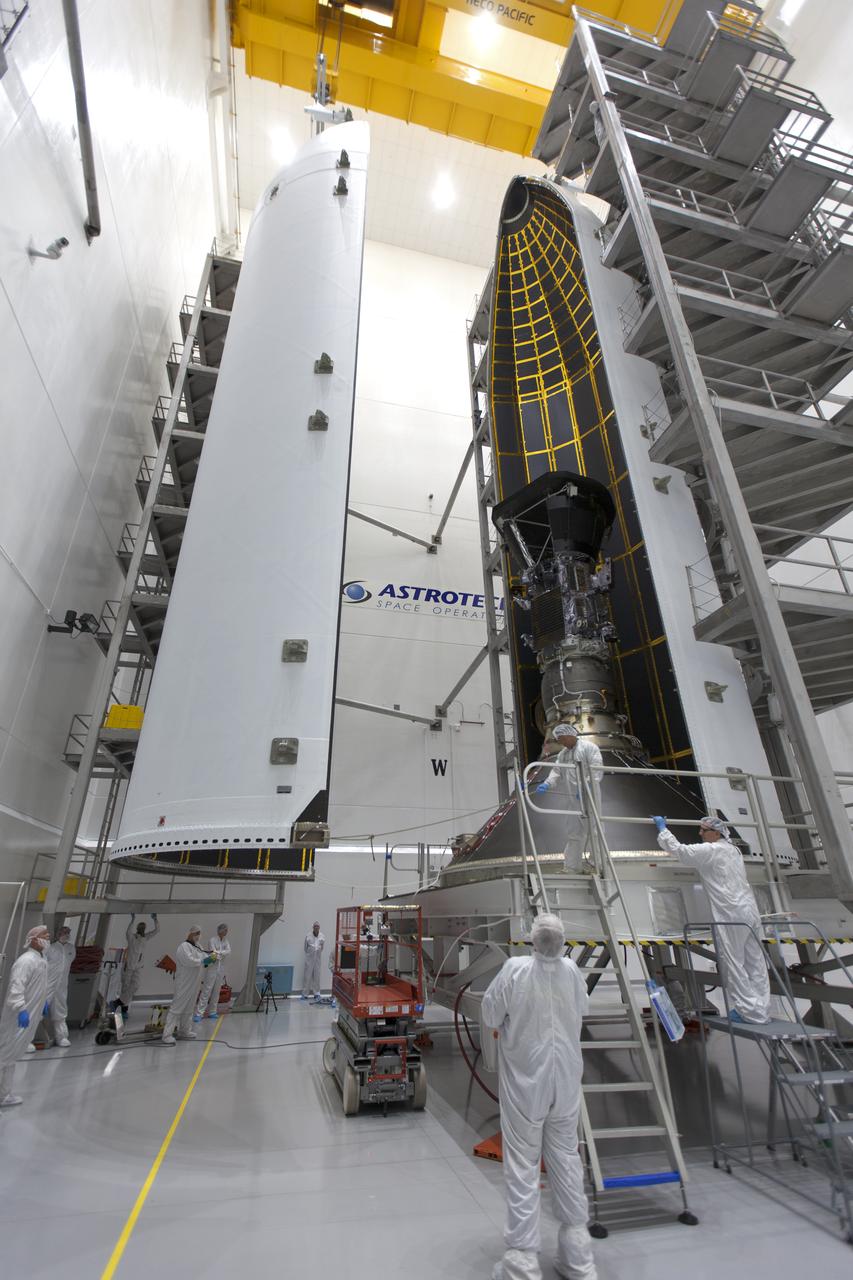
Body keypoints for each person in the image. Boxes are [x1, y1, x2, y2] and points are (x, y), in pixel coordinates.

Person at [482, 913, 596, 1280]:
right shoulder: (572, 972)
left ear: (533, 939)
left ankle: (522, 1260)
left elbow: (490, 1014)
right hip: (566, 1083)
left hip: (526, 1085)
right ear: (562, 942)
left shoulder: (515, 970)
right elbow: (582, 1010)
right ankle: (578, 1257)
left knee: (522, 1165)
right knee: (566, 1160)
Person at [653, 815, 770, 1023]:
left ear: (716, 833)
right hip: (749, 911)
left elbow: (680, 851)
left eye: (704, 830)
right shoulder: (733, 850)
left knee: (734, 962)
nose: (700, 833)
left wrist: (663, 830)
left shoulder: (711, 850)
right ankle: (762, 1008)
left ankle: (749, 1012)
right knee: (755, 963)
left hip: (731, 914)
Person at [534, 724, 604, 872]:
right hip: (572, 799)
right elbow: (556, 771)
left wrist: (586, 788)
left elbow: (597, 769)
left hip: (589, 796)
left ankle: (597, 866)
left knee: (594, 830)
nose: (561, 742)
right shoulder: (563, 754)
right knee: (574, 832)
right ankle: (572, 867)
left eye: (561, 739)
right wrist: (547, 784)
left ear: (570, 735)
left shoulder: (589, 748)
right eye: (559, 740)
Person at [0, 926, 51, 1107]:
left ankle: (4, 1095)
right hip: (17, 1018)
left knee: (11, 1057)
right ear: (34, 939)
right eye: (44, 935)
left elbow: (38, 986)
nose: (48, 938)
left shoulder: (41, 960)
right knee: (4, 1055)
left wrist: (43, 1002)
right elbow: (16, 988)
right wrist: (21, 1009)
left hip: (30, 1016)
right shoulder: (26, 961)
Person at [162, 925, 215, 1045]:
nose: (198, 936)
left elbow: (203, 957)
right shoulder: (184, 947)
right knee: (177, 1008)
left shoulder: (198, 946)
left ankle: (184, 1031)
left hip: (195, 982)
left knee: (189, 1008)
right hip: (184, 982)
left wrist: (211, 958)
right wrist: (203, 961)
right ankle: (167, 1035)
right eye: (196, 933)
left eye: (199, 933)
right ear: (190, 934)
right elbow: (189, 961)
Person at [119, 912, 159, 1014]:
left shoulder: (145, 938)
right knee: (125, 987)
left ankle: (119, 1003)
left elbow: (157, 930)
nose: (142, 929)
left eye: (143, 927)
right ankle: (124, 1009)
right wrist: (132, 920)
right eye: (141, 927)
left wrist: (155, 919)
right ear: (137, 928)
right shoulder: (132, 937)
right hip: (129, 966)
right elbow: (128, 931)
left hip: (138, 967)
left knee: (135, 985)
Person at [45, 924, 77, 1047]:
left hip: (62, 985)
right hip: (47, 984)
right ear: (58, 934)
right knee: (38, 1010)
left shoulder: (71, 948)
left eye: (68, 932)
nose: (66, 935)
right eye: (64, 932)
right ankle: (27, 1039)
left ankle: (61, 1037)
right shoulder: (51, 948)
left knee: (60, 1011)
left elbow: (69, 962)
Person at [195, 923, 231, 1021]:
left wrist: (219, 953)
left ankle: (212, 1012)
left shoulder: (226, 941)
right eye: (225, 930)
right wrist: (220, 954)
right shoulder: (212, 940)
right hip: (212, 968)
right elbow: (213, 953)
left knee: (216, 991)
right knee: (207, 990)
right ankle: (199, 1013)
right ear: (220, 930)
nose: (227, 931)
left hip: (220, 969)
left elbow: (228, 951)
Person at [301, 921, 324, 1000]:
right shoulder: (308, 936)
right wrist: (310, 954)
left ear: (319, 928)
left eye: (318, 926)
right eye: (315, 926)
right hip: (309, 959)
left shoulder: (322, 936)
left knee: (317, 976)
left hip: (317, 959)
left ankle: (317, 993)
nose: (316, 928)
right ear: (313, 927)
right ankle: (305, 994)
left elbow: (322, 947)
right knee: (307, 976)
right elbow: (305, 948)